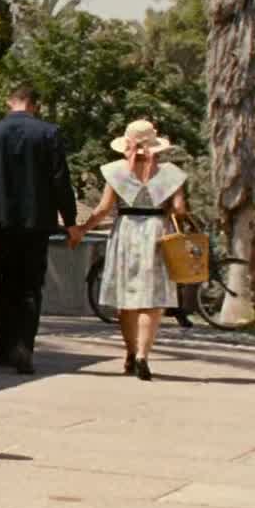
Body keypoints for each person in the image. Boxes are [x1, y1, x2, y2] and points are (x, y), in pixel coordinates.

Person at [0, 84, 79, 375]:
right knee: (30, 286)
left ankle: (5, 349)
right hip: (35, 222)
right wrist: (70, 221)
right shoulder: (49, 133)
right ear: (35, 105)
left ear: (9, 102)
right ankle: (24, 348)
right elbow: (60, 180)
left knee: (5, 285)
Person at [69, 120, 190, 381]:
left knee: (127, 299)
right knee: (152, 299)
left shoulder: (116, 171)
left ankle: (130, 352)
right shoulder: (171, 173)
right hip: (157, 233)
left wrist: (82, 230)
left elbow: (103, 209)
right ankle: (143, 356)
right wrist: (166, 206)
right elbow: (180, 209)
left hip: (126, 232)